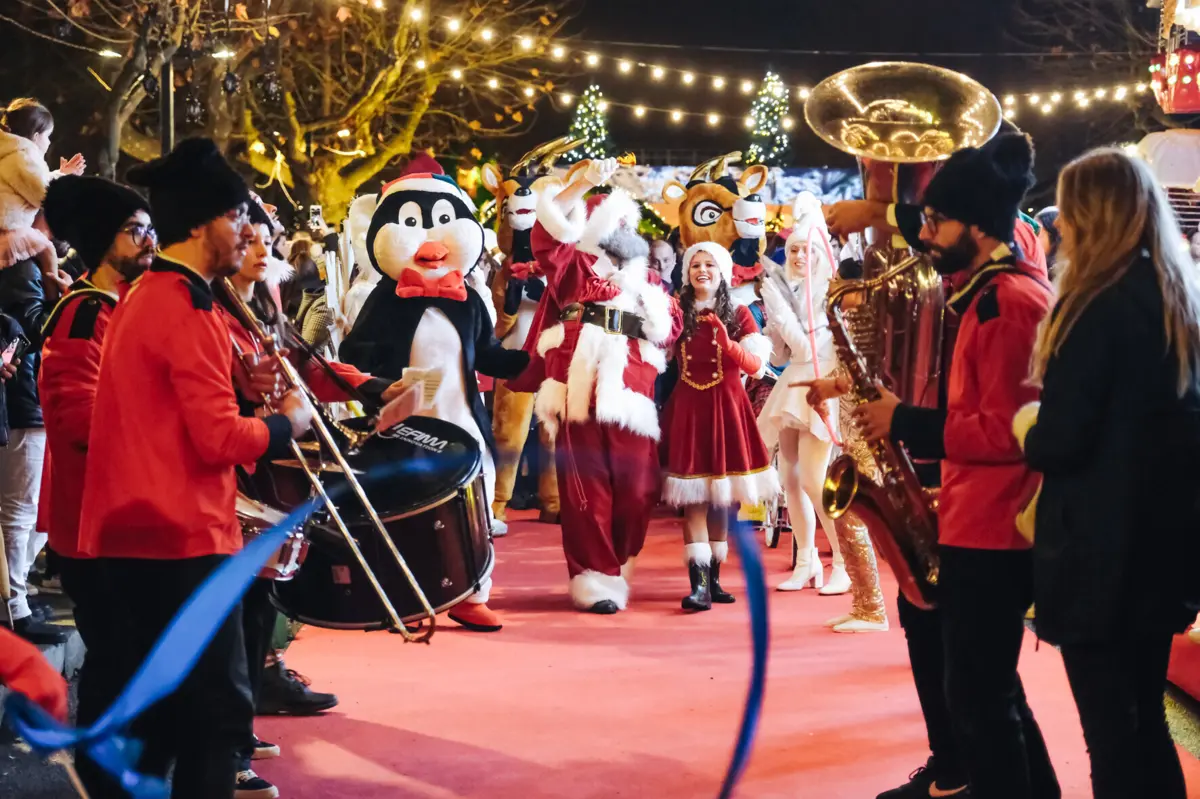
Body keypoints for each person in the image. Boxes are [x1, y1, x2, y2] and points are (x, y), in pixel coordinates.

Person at [77, 137, 314, 799]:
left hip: (144, 534)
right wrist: (288, 421)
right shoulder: (185, 306)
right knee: (216, 717)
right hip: (178, 537)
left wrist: (244, 388)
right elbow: (218, 440)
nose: (248, 233)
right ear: (204, 222)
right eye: (238, 217)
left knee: (166, 722)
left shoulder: (152, 294)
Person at [846, 133, 1059, 799]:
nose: (926, 234)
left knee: (980, 697)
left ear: (978, 225)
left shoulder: (1006, 302)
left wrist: (903, 421)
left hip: (995, 528)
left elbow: (1009, 433)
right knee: (990, 691)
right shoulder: (986, 293)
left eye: (937, 221)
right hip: (977, 517)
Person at [1016, 149, 1200, 799]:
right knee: (1145, 722)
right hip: (1164, 551)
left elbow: (1061, 442)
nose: (1060, 225)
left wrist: (1028, 428)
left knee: (1111, 737)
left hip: (1099, 559)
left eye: (1069, 210)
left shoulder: (1095, 306)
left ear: (1090, 215)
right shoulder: (1177, 298)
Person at [38, 175, 154, 789]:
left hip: (124, 520)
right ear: (101, 238)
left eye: (149, 228)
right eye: (135, 230)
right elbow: (76, 420)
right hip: (96, 527)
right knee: (116, 663)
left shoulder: (124, 307)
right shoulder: (84, 312)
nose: (149, 241)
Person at [526, 159, 681, 613]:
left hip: (633, 393)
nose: (622, 231)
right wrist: (582, 185)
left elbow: (670, 329)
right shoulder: (572, 268)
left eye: (627, 223)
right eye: (612, 222)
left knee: (639, 489)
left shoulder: (648, 280)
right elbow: (548, 233)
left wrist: (653, 311)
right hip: (580, 390)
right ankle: (595, 578)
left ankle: (619, 559)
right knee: (585, 490)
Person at [661, 242, 776, 611]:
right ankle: (698, 586)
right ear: (686, 272)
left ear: (722, 271)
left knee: (722, 500)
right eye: (695, 265)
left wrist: (728, 343)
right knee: (694, 497)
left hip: (727, 408)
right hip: (689, 409)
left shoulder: (739, 313)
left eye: (710, 264)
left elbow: (756, 366)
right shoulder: (675, 310)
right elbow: (657, 351)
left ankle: (714, 580)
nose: (702, 270)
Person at [758, 193, 849, 595]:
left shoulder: (829, 291)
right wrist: (769, 329)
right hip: (793, 380)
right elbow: (782, 352)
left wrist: (779, 308)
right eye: (793, 249)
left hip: (822, 382)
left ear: (819, 253)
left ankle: (845, 562)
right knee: (788, 478)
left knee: (815, 479)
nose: (798, 256)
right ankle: (806, 561)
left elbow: (810, 345)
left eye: (806, 249)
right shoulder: (784, 289)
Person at [0, 98, 84, 279]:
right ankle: (55, 293)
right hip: (10, 231)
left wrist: (62, 174)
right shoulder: (24, 157)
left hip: (7, 228)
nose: (49, 142)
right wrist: (67, 181)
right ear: (36, 136)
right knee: (47, 251)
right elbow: (44, 196)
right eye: (48, 136)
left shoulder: (12, 153)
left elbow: (36, 184)